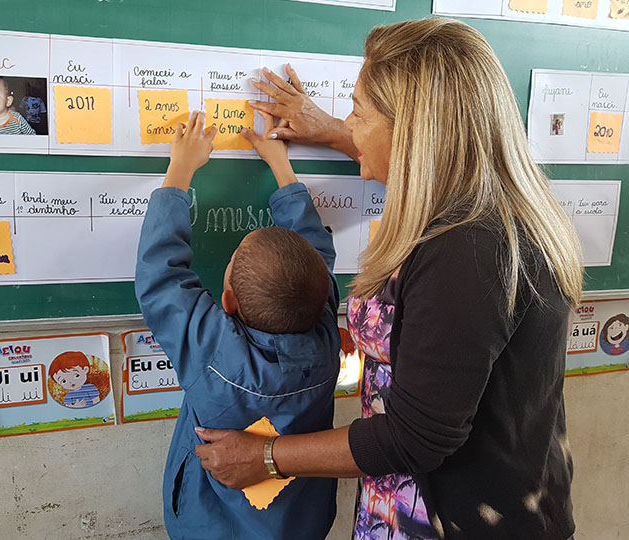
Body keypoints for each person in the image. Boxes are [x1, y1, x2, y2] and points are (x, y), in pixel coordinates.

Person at [195, 18, 582, 540]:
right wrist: (330, 128)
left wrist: (266, 457)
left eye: (358, 113)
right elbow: (421, 165)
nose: (351, 127)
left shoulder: (469, 248)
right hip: (435, 502)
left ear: (414, 134)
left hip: (459, 520)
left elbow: (415, 437)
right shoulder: (481, 201)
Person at [134, 110, 341, 539]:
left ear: (225, 301)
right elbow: (316, 253)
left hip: (211, 526)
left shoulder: (213, 351)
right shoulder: (325, 336)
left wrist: (180, 168)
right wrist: (281, 165)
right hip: (300, 525)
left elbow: (160, 275)